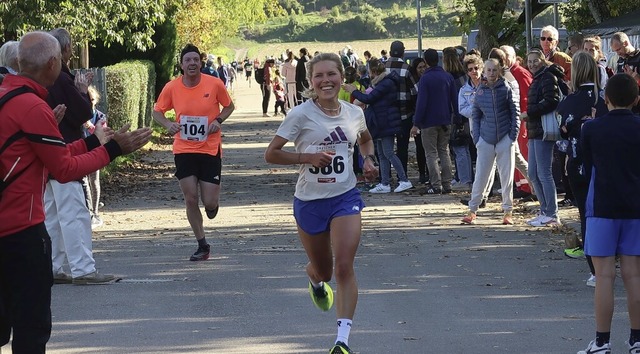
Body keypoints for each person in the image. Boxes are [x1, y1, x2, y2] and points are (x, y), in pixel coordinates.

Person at [0, 30, 151, 354]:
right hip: (20, 233)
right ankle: (82, 269)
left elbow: (48, 154)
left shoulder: (7, 96)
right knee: (31, 328)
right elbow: (63, 169)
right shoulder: (31, 106)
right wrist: (113, 150)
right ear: (53, 63)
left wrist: (96, 141)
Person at [264, 52, 378, 354]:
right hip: (310, 201)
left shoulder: (354, 113)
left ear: (342, 77)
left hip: (345, 198)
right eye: (319, 76)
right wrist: (306, 157)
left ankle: (342, 341)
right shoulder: (300, 114)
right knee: (325, 271)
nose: (326, 81)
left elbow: (365, 139)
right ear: (311, 81)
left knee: (343, 267)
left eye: (332, 75)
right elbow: (271, 153)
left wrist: (368, 159)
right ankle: (313, 278)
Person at [44, 28, 116, 285]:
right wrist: (83, 90)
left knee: (52, 215)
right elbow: (84, 112)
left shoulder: (40, 80)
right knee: (74, 213)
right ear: (63, 50)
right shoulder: (62, 80)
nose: (72, 51)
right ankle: (83, 268)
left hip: (48, 157)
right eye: (70, 46)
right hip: (68, 153)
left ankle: (51, 267)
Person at [153, 44, 235, 261]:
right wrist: (168, 124)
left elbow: (229, 106)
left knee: (209, 202)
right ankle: (202, 244)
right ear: (181, 64)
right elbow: (157, 111)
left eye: (195, 60)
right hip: (184, 148)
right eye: (187, 60)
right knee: (190, 198)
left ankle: (212, 206)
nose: (191, 63)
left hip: (209, 148)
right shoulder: (172, 87)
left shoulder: (214, 84)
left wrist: (218, 120)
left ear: (201, 63)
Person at [577, 73, 640, 354]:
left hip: (601, 206)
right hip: (635, 207)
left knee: (604, 276)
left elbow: (586, 166)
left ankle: (602, 342)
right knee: (634, 275)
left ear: (606, 99)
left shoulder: (591, 129)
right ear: (637, 100)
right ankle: (637, 339)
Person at [557, 52, 608, 287]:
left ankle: (595, 269)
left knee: (587, 217)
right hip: (604, 165)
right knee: (609, 214)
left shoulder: (570, 101)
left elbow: (562, 133)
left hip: (578, 164)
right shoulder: (603, 98)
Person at [461, 59, 519, 225]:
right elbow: (476, 115)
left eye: (494, 70)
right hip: (485, 139)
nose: (492, 73)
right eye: (489, 70)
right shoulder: (480, 91)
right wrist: (477, 138)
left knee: (506, 177)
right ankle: (472, 210)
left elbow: (515, 112)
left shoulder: (506, 89)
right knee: (481, 176)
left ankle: (508, 211)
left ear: (499, 71)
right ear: (484, 72)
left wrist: (512, 137)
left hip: (504, 138)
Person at [345, 58, 412, 194]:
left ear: (374, 72)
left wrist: (353, 91)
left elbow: (369, 98)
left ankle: (404, 180)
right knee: (381, 154)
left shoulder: (386, 83)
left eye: (370, 72)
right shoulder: (382, 82)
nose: (369, 75)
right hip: (381, 123)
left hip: (386, 122)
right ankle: (385, 183)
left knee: (389, 153)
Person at [521, 49, 565, 227]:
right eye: (529, 61)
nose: (531, 64)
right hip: (535, 130)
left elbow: (552, 101)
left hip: (543, 131)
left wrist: (529, 113)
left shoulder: (547, 77)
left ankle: (551, 213)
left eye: (535, 61)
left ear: (542, 61)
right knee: (533, 173)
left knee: (543, 173)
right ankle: (544, 210)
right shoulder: (538, 77)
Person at [410, 48, 457, 195]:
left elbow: (421, 102)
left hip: (429, 122)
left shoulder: (425, 78)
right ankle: (447, 183)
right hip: (445, 120)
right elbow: (454, 99)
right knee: (444, 151)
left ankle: (436, 184)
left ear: (426, 61)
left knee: (431, 153)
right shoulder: (447, 76)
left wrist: (416, 122)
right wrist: (458, 118)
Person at [502, 45, 535, 199]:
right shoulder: (507, 73)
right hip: (512, 120)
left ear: (514, 56)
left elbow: (528, 96)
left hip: (521, 120)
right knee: (515, 155)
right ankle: (521, 186)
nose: (505, 58)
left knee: (523, 154)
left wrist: (524, 117)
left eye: (507, 55)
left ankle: (529, 188)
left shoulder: (520, 73)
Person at [385, 40, 419, 178]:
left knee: (385, 149)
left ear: (389, 51)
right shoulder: (407, 68)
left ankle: (385, 176)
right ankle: (402, 176)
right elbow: (415, 91)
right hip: (404, 113)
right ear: (403, 52)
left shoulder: (383, 67)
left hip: (386, 114)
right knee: (402, 147)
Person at [443, 47, 473, 192]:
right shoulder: (463, 75)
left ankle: (464, 179)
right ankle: (465, 177)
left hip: (457, 115)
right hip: (466, 114)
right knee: (464, 147)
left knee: (459, 147)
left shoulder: (449, 77)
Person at [82, 86, 108, 229]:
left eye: (92, 100)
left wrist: (91, 127)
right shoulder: (78, 114)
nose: (90, 103)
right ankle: (88, 210)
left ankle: (96, 211)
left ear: (96, 100)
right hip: (81, 152)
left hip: (95, 151)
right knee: (84, 181)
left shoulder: (100, 116)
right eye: (87, 100)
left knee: (94, 181)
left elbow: (103, 134)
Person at [409, 57, 428, 184]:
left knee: (429, 148)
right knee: (420, 147)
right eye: (419, 67)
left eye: (423, 67)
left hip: (428, 118)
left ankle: (429, 172)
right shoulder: (413, 83)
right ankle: (422, 173)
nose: (422, 69)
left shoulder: (428, 80)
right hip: (417, 118)